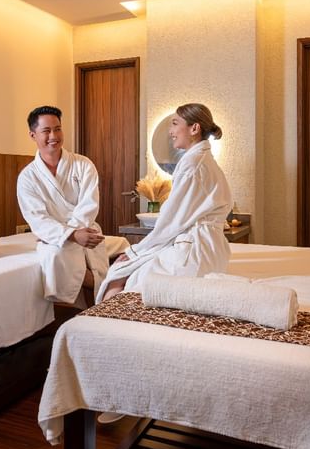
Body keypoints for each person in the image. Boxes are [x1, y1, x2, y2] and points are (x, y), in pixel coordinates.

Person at [96, 102, 233, 303]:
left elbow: (172, 221)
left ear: (194, 128)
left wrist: (135, 251)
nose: (171, 132)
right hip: (211, 249)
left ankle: (105, 323)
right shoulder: (203, 160)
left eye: (175, 124)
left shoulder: (192, 164)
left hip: (195, 253)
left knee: (121, 275)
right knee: (124, 272)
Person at [17, 105, 108, 307]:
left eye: (57, 129)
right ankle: (67, 314)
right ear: (33, 135)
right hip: (53, 236)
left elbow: (89, 204)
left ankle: (101, 300)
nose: (53, 136)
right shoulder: (27, 177)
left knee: (77, 260)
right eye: (46, 131)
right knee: (54, 255)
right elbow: (37, 218)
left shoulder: (83, 164)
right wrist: (72, 235)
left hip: (86, 228)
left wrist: (78, 232)